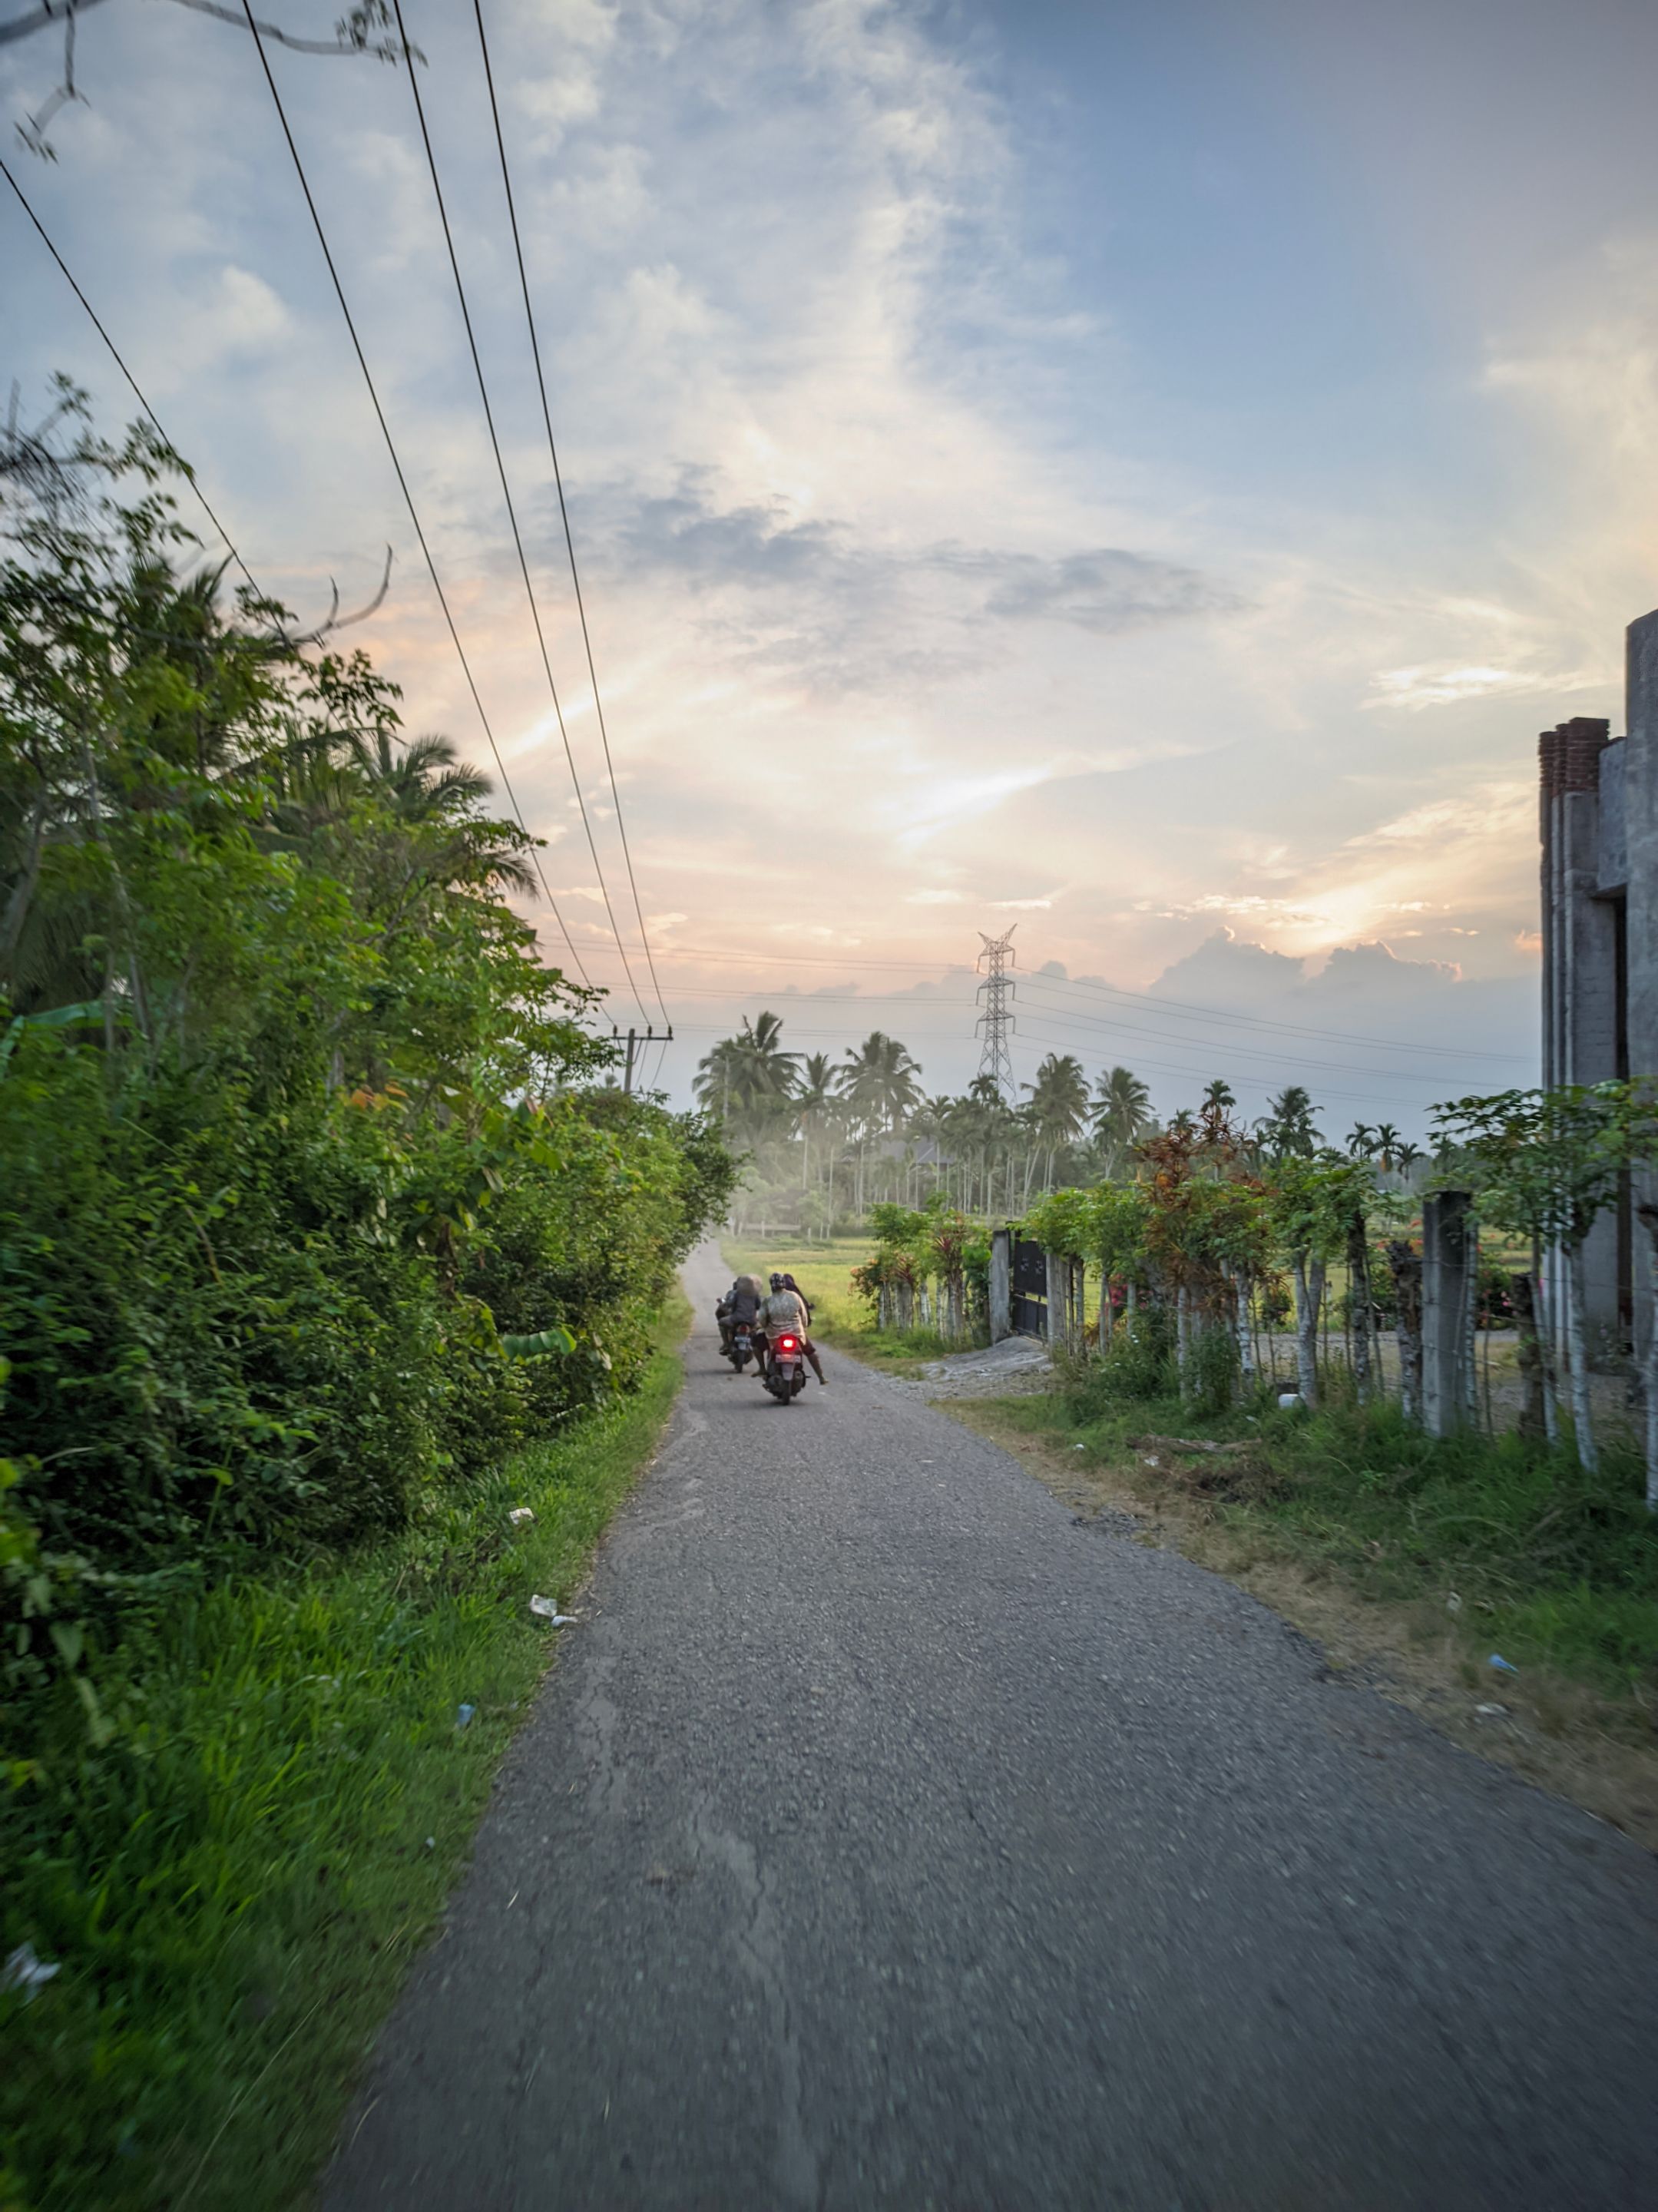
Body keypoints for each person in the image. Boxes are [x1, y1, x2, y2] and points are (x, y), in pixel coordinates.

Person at [758, 1271, 826, 1386]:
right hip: (796, 1333)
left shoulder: (768, 1300)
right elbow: (803, 1315)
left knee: (756, 1345)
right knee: (810, 1352)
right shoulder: (794, 1296)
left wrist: (764, 1327)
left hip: (774, 1335)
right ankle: (821, 1377)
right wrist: (803, 1328)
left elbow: (762, 1319)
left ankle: (762, 1369)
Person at [717, 1273, 763, 1356]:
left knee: (721, 1322)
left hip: (736, 1319)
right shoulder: (755, 1295)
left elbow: (731, 1304)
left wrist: (725, 1305)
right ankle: (754, 1345)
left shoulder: (738, 1294)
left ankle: (726, 1344)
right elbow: (759, 1306)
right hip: (751, 1321)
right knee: (759, 1329)